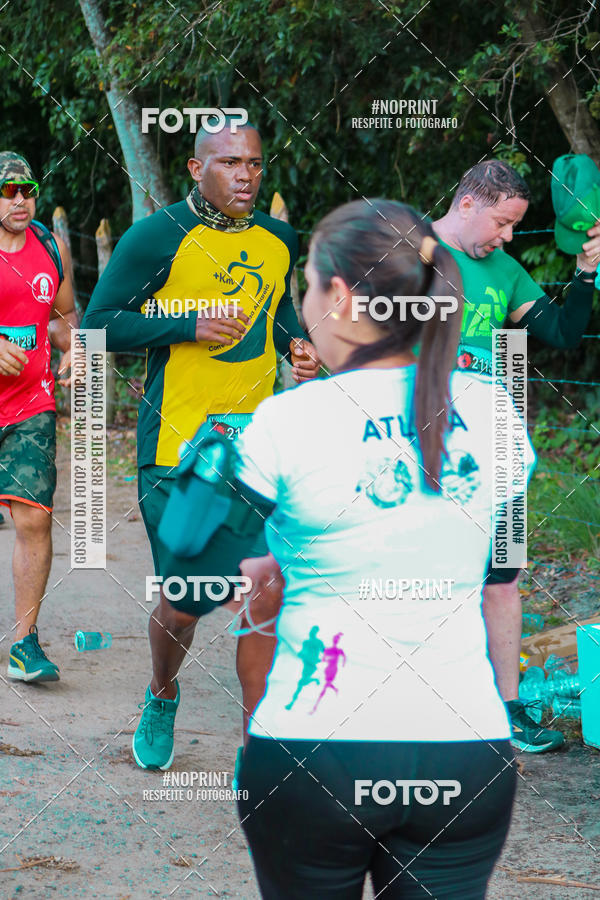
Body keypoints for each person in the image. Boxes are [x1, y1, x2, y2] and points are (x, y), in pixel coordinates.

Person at [164, 198, 533, 896]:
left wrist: (230, 527)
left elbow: (189, 579)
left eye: (306, 284)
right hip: (464, 748)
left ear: (337, 295)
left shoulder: (286, 421)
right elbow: (490, 569)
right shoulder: (494, 411)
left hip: (316, 750)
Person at [82, 119, 320, 770]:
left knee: (263, 589)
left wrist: (301, 351)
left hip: (259, 447)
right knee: (185, 604)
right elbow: (97, 328)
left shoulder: (279, 239)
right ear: (196, 169)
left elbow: (279, 319)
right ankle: (162, 691)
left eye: (256, 164)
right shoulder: (156, 237)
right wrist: (185, 324)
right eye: (231, 164)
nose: (246, 176)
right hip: (178, 450)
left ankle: (264, 742)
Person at [433, 159, 599, 752]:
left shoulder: (504, 270)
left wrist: (584, 274)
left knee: (503, 576)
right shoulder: (409, 255)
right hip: (426, 445)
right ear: (470, 202)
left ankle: (505, 710)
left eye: (514, 228)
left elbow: (559, 333)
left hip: (497, 443)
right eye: (502, 223)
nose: (506, 238)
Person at [0, 151, 77, 681]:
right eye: (9, 191)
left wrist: (73, 345)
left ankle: (25, 642)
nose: (21, 200)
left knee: (33, 516)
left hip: (31, 404)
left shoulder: (50, 248)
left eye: (28, 190)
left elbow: (65, 315)